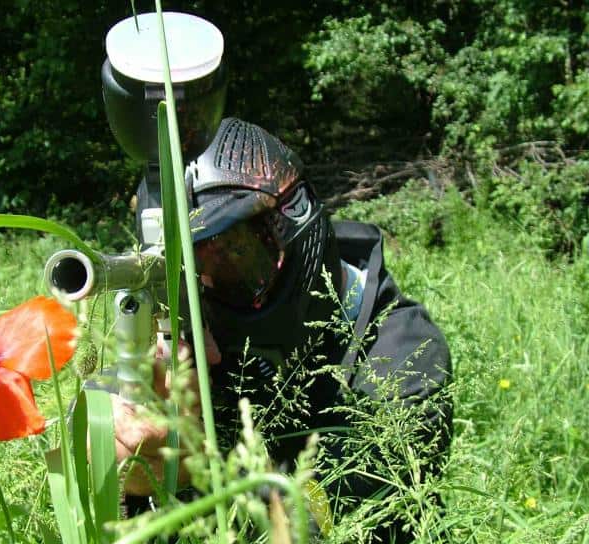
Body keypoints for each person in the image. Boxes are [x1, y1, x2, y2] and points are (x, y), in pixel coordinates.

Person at [108, 117, 453, 518]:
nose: (210, 298)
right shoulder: (194, 348)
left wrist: (197, 476)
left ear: (295, 217)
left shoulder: (405, 355)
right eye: (188, 283)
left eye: (234, 256)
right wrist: (122, 461)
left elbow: (341, 527)